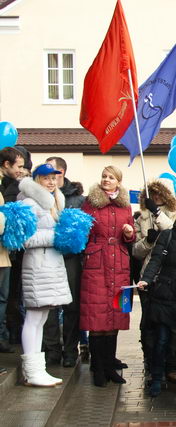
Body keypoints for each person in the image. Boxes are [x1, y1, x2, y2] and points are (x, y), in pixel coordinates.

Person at [137, 199, 176, 398]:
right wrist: (146, 279)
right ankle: (156, 379)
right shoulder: (168, 234)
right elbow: (156, 259)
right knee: (161, 341)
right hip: (165, 293)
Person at [80, 166, 135, 387]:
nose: (106, 180)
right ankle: (98, 368)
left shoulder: (125, 205)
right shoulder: (90, 204)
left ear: (119, 182)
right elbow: (83, 231)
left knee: (114, 316)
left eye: (111, 177)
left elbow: (131, 233)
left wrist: (129, 233)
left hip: (119, 265)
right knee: (97, 318)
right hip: (97, 263)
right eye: (104, 176)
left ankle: (110, 366)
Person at [18, 164, 72, 386]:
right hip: (38, 267)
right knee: (33, 318)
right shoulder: (29, 203)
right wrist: (56, 236)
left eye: (53, 178)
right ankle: (31, 371)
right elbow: (26, 239)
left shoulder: (54, 201)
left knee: (40, 318)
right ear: (37, 179)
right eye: (46, 178)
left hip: (50, 267)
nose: (51, 182)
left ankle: (37, 370)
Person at [42, 156, 85, 368]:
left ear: (62, 173)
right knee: (49, 305)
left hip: (70, 260)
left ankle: (70, 350)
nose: (49, 178)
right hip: (46, 258)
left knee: (71, 306)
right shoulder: (40, 197)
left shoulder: (77, 199)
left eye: (53, 173)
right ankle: (52, 350)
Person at [133, 179, 176, 370]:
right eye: (152, 194)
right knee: (148, 322)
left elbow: (172, 231)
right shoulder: (141, 219)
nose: (156, 197)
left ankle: (170, 363)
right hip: (149, 275)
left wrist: (157, 213)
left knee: (171, 325)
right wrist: (147, 242)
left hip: (170, 277)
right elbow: (136, 251)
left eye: (160, 194)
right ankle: (151, 361)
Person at [0, 147, 24, 356]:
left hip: (5, 255)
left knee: (5, 299)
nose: (22, 170)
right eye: (19, 166)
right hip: (3, 254)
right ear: (6, 164)